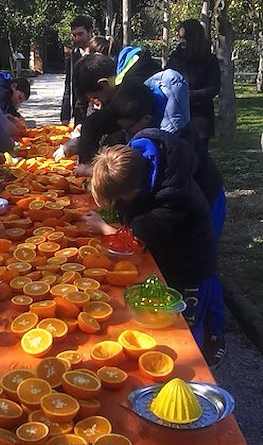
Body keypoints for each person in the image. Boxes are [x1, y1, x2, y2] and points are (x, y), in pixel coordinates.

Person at [87, 135, 222, 366]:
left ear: (137, 190)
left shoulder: (172, 197)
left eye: (121, 198)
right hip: (171, 252)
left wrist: (106, 229)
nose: (120, 203)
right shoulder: (141, 160)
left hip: (191, 265)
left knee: (186, 327)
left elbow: (138, 235)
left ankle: (198, 363)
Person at [167, 19, 220, 151]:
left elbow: (214, 88)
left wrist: (189, 95)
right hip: (176, 114)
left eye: (184, 38)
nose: (181, 41)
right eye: (179, 38)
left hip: (200, 116)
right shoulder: (175, 56)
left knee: (198, 157)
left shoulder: (209, 60)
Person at [61, 15, 93, 126]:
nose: (77, 38)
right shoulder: (73, 56)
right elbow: (69, 85)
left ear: (90, 32)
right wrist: (65, 115)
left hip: (99, 110)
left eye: (80, 34)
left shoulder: (100, 52)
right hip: (79, 111)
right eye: (74, 35)